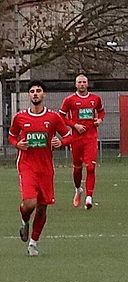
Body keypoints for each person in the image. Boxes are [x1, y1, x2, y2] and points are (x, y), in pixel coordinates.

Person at [8, 80, 73, 256]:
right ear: (29, 95)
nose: (35, 93)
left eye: (38, 91)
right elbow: (12, 136)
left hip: (46, 168)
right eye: (32, 91)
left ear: (44, 95)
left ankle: (33, 243)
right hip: (27, 166)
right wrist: (17, 144)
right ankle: (24, 219)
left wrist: (61, 142)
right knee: (30, 203)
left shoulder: (53, 117)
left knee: (43, 207)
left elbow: (68, 136)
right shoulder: (20, 117)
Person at [59, 74, 105, 209]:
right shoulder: (69, 100)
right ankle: (78, 189)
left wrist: (99, 120)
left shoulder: (95, 99)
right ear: (76, 84)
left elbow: (101, 112)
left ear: (88, 83)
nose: (82, 84)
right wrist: (75, 126)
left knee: (90, 167)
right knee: (77, 168)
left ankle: (89, 197)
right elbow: (61, 116)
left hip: (91, 138)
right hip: (76, 139)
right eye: (79, 82)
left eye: (84, 82)